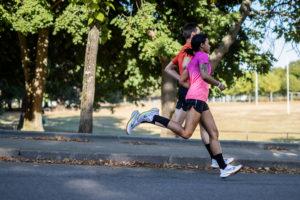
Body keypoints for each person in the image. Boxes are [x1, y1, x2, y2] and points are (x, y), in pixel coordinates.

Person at [126, 34, 242, 178]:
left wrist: (194, 87)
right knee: (186, 133)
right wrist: (218, 84)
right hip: (196, 99)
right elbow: (205, 76)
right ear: (201, 45)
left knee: (213, 133)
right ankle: (151, 117)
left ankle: (222, 167)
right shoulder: (203, 56)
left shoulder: (193, 60)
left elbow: (182, 80)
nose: (210, 45)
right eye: (208, 43)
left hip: (198, 98)